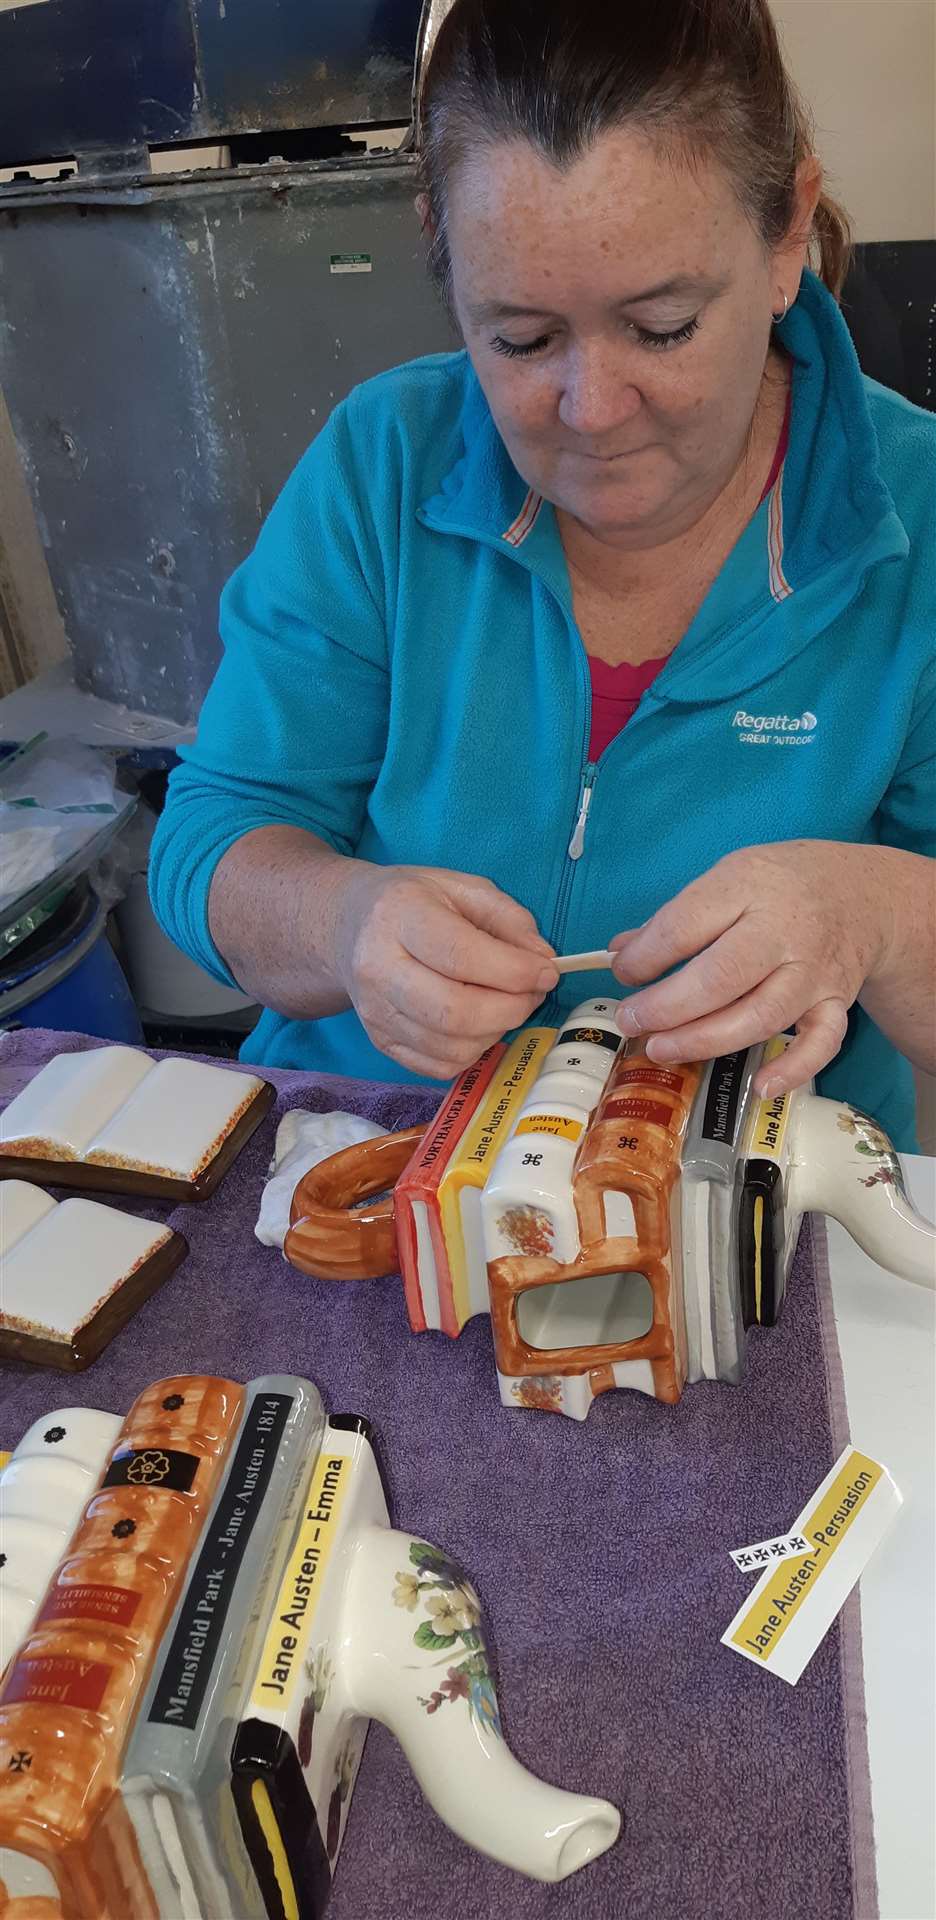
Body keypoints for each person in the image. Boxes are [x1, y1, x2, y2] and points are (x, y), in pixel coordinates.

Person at [151, 0, 936, 1150]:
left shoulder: (914, 520)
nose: (592, 411)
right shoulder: (383, 461)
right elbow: (217, 830)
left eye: (663, 326)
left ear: (786, 240)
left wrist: (876, 916)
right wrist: (342, 921)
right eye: (519, 339)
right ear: (443, 250)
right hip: (370, 1139)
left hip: (740, 1183)